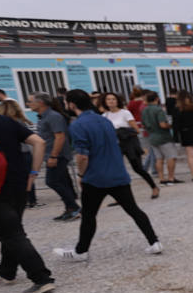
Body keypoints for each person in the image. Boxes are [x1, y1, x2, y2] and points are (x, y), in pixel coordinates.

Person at [52, 90, 163, 262]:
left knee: (89, 216)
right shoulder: (104, 120)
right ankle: (154, 242)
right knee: (133, 210)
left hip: (95, 177)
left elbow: (82, 155)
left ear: (72, 104)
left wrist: (81, 174)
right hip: (117, 173)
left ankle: (81, 251)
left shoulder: (78, 125)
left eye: (66, 102)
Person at [0, 93, 56, 293]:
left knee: (11, 233)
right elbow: (39, 142)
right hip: (17, 182)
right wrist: (33, 173)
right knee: (11, 228)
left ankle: (41, 278)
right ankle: (7, 271)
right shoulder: (3, 120)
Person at [27, 92, 80, 221]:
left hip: (58, 155)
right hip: (51, 154)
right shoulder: (43, 117)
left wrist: (54, 156)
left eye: (30, 101)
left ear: (40, 103)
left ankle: (74, 207)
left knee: (52, 181)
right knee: (62, 181)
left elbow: (60, 137)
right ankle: (70, 208)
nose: (28, 104)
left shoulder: (53, 116)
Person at [100, 92, 159, 199]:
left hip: (129, 143)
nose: (111, 101)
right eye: (108, 99)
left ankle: (154, 187)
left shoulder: (125, 113)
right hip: (115, 145)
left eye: (113, 99)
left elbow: (136, 129)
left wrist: (121, 132)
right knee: (117, 170)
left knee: (138, 168)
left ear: (118, 100)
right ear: (105, 102)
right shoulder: (104, 116)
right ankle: (122, 197)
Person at [0, 99, 41, 208]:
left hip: (15, 153)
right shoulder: (20, 121)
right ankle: (31, 199)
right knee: (27, 177)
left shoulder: (2, 123)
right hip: (25, 152)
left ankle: (23, 199)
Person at [141, 91, 182, 184]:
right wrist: (171, 125)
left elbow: (144, 125)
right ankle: (171, 178)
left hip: (152, 137)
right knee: (171, 157)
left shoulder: (144, 110)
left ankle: (161, 178)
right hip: (163, 137)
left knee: (159, 159)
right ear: (157, 99)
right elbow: (162, 124)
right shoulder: (158, 110)